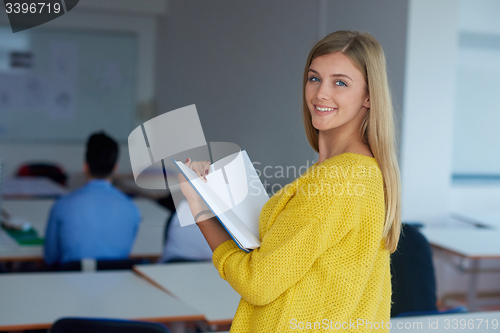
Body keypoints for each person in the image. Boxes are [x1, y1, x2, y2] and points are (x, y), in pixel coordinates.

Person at [179, 30, 401, 332]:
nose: (321, 93)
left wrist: (199, 210)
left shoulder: (338, 180)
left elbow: (258, 283)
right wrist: (216, 194)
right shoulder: (362, 172)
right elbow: (284, 254)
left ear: (369, 97)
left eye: (340, 82)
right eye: (314, 78)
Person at [44, 132, 141, 266]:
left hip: (70, 282)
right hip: (116, 283)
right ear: (115, 169)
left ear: (85, 167)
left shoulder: (62, 205)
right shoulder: (132, 208)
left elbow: (50, 257)